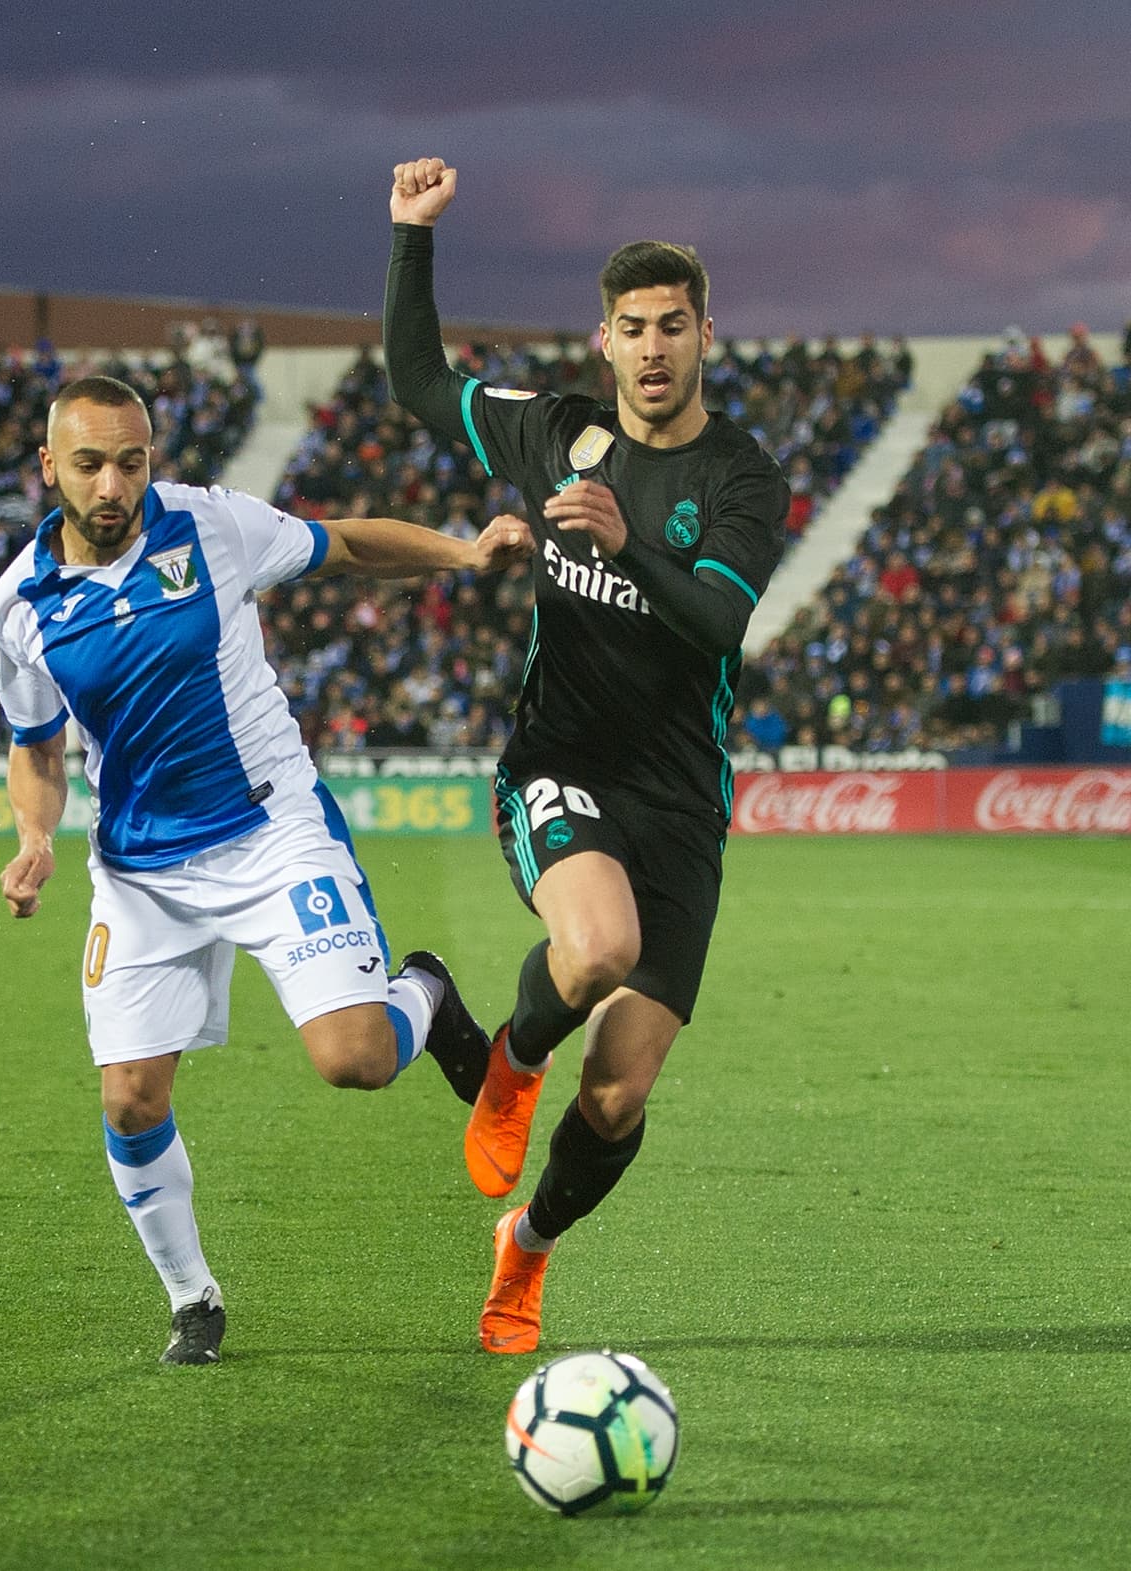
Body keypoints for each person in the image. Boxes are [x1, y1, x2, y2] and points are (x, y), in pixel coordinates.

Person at [0, 374, 531, 1365]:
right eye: (90, 463)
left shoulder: (207, 526)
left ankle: (426, 991)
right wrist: (34, 837)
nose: (114, 483)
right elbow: (35, 743)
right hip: (141, 868)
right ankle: (192, 1297)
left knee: (354, 1059)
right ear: (49, 468)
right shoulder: (19, 603)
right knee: (129, 1100)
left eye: (132, 459)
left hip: (271, 828)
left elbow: (347, 542)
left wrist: (465, 549)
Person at [385, 158, 790, 1354]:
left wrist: (624, 539)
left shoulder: (738, 477)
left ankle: (526, 1250)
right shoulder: (556, 432)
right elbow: (419, 380)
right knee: (595, 944)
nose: (652, 348)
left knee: (618, 1086)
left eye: (672, 326)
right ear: (602, 340)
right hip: (555, 759)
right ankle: (507, 1065)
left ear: (704, 334)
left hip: (677, 804)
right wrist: (411, 234)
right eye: (630, 329)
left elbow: (720, 619)